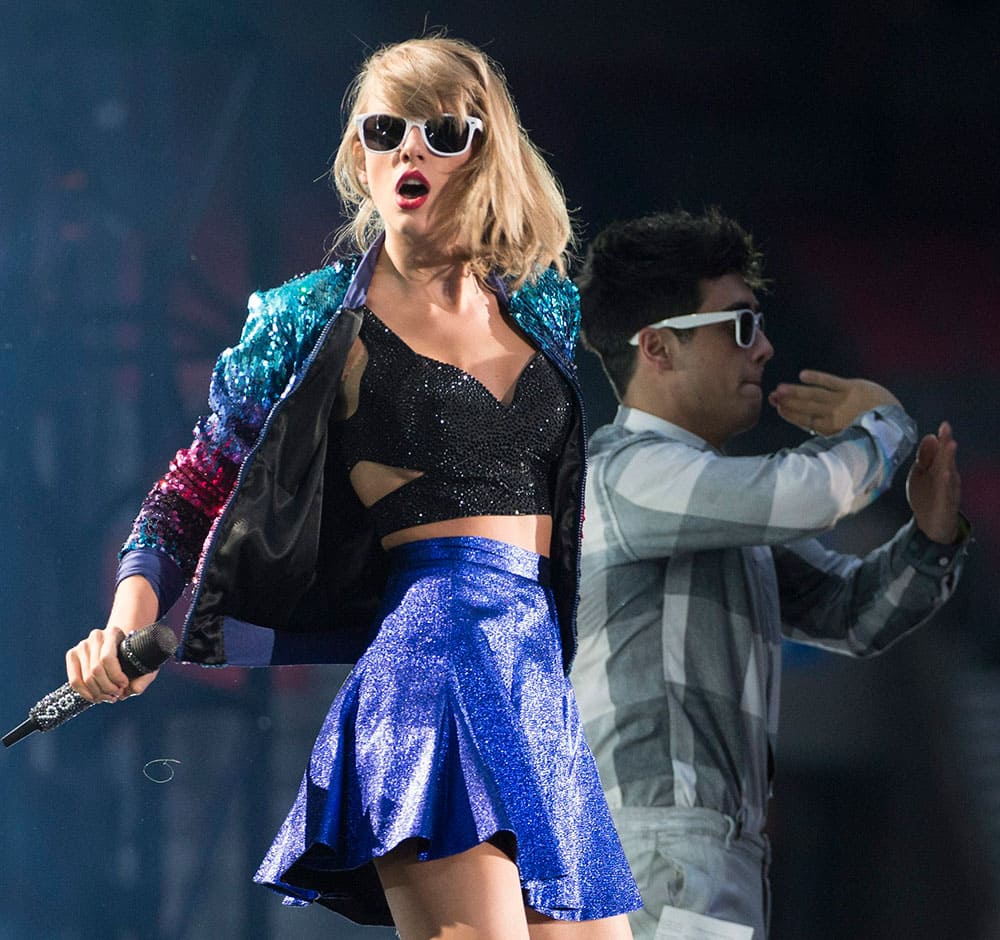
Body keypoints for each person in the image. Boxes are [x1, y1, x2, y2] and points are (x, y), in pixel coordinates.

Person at [64, 36, 641, 939]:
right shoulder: (311, 317)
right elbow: (190, 488)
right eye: (386, 128)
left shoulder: (543, 309)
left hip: (534, 681)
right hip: (430, 667)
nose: (410, 147)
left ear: (484, 149)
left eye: (440, 130)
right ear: (361, 158)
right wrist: (131, 617)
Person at [572, 208, 969, 939]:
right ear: (657, 347)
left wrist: (933, 539)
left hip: (699, 852)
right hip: (656, 846)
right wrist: (883, 427)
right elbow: (810, 492)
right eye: (740, 325)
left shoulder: (705, 503)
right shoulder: (625, 476)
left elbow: (853, 614)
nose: (765, 349)